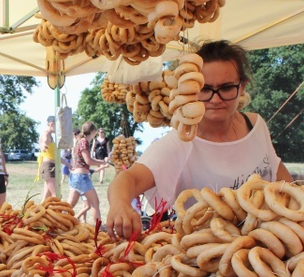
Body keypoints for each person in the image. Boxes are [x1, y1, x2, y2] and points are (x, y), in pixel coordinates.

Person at [107, 39, 293, 240]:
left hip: (271, 247)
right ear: (188, 89)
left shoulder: (256, 125)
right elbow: (128, 179)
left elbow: (279, 174)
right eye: (205, 89)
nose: (215, 99)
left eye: (227, 88)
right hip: (208, 261)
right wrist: (120, 205)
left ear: (242, 86)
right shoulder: (179, 143)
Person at [68, 122, 108, 224]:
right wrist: (102, 162)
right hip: (82, 177)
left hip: (75, 177)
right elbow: (88, 161)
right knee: (95, 203)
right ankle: (98, 229)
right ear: (93, 131)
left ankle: (58, 223)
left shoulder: (79, 141)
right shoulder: (84, 142)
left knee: (68, 207)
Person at [36, 115, 57, 199]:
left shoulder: (50, 136)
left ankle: (39, 211)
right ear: (52, 124)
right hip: (48, 167)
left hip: (51, 166)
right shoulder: (46, 134)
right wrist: (44, 144)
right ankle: (60, 210)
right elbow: (44, 141)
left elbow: (55, 155)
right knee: (54, 195)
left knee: (46, 197)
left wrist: (68, 165)